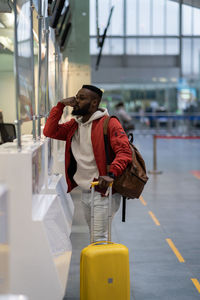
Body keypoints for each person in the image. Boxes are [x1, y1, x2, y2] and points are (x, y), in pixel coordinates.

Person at [43, 85, 132, 242]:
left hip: (104, 191)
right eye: (76, 97)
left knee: (98, 238)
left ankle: (104, 267)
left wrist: (112, 174)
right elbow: (49, 131)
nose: (76, 101)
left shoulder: (109, 124)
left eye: (81, 98)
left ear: (94, 103)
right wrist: (60, 105)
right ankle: (102, 266)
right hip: (86, 190)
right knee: (95, 237)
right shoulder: (74, 125)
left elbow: (124, 152)